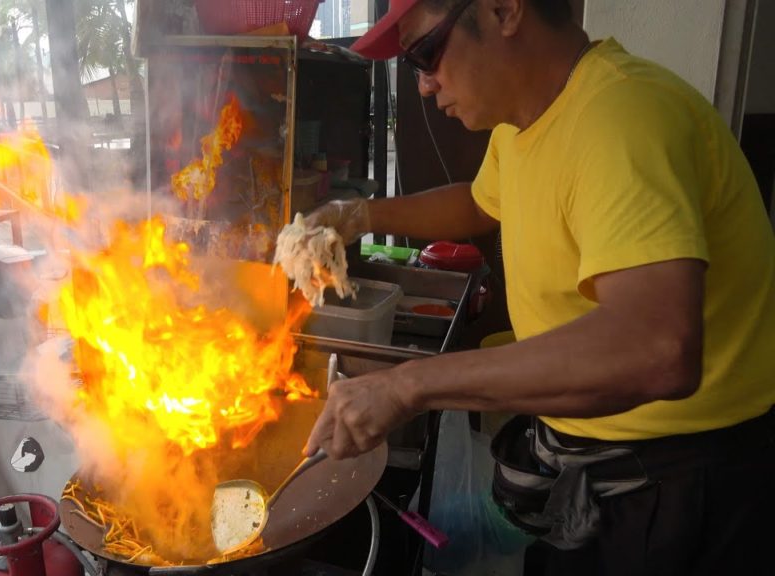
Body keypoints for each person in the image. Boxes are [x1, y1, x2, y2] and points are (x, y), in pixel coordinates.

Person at [301, 0, 775, 573]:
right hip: (593, 453)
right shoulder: (526, 122)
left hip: (674, 480)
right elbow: (480, 201)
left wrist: (408, 387)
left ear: (503, 10)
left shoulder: (621, 120)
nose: (425, 85)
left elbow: (656, 349)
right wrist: (359, 216)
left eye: (426, 53)